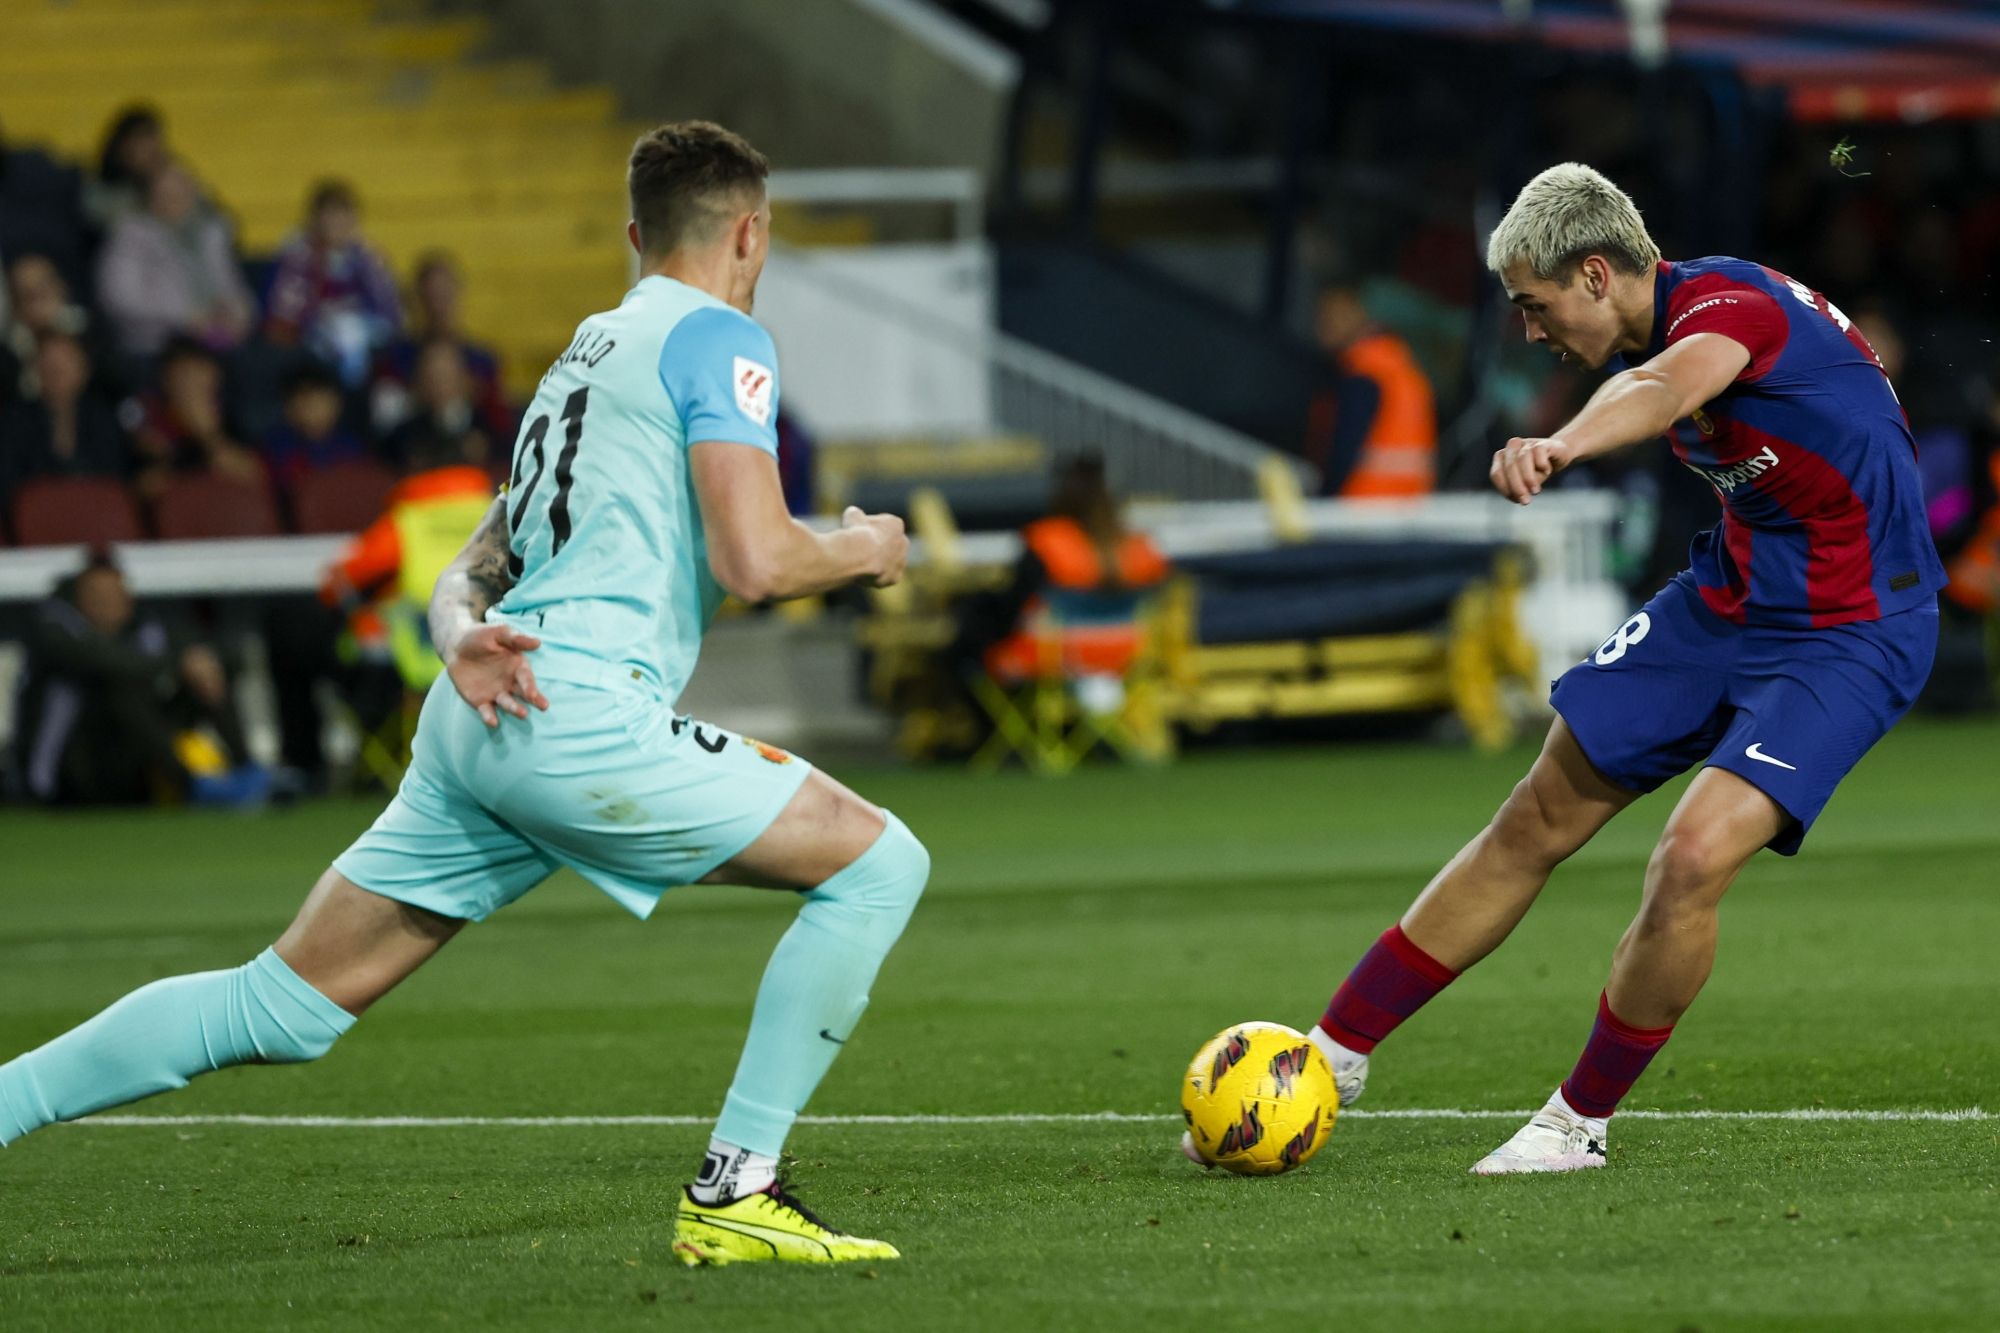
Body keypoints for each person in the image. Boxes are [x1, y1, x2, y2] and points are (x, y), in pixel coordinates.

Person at [0, 121, 926, 1269]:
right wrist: (866, 547)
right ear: (749, 232)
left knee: (277, 1006)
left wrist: (454, 636)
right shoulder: (723, 339)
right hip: (582, 715)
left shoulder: (581, 353)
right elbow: (755, 561)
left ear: (636, 235)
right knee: (879, 862)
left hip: (484, 706)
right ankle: (737, 1189)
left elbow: (474, 563)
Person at [1244, 163, 1944, 1176]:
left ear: (1594, 273)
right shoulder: (1661, 314)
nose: (1530, 331)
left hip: (1855, 628)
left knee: (1690, 858)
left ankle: (1575, 1125)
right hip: (1730, 599)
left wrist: (1560, 443)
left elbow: (1662, 389)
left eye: (1534, 307)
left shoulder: (1724, 308)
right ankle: (1325, 1058)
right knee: (1533, 816)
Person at [9, 551, 266, 807]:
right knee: (122, 687)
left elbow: (222, 655)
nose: (107, 604)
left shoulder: (145, 625)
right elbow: (108, 661)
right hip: (71, 772)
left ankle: (248, 772)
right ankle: (193, 785)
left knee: (206, 672)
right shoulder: (54, 633)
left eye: (114, 595)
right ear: (79, 600)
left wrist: (200, 662)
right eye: (96, 597)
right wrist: (179, 663)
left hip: (133, 760)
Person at [95, 161, 255, 357]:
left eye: (182, 193)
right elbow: (119, 299)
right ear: (150, 199)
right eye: (166, 195)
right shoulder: (129, 237)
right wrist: (186, 318)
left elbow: (233, 287)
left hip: (218, 340)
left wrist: (237, 314)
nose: (175, 201)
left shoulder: (212, 233)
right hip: (157, 345)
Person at [1303, 281, 1438, 500]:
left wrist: (1322, 504)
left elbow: (1343, 454)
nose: (1323, 327)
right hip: (1405, 513)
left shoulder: (1365, 374)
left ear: (1357, 313)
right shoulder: (1403, 370)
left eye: (1331, 317)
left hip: (1360, 508)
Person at [264, 179, 403, 388]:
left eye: (343, 215)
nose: (336, 223)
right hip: (311, 337)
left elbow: (390, 312)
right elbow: (285, 314)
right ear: (314, 218)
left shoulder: (366, 256)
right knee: (343, 334)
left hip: (363, 336)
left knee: (353, 334)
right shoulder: (297, 255)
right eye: (329, 215)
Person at [371, 250, 509, 443]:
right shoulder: (393, 359)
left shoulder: (482, 360)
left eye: (445, 294)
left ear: (458, 294)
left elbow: (500, 424)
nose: (438, 305)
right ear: (415, 299)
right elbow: (383, 426)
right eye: (430, 295)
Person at [0, 333, 133, 516]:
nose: (56, 370)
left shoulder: (104, 419)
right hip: (38, 520)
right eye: (48, 364)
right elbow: (10, 484)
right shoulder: (14, 420)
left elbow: (115, 477)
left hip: (98, 518)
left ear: (83, 370)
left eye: (64, 363)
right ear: (36, 369)